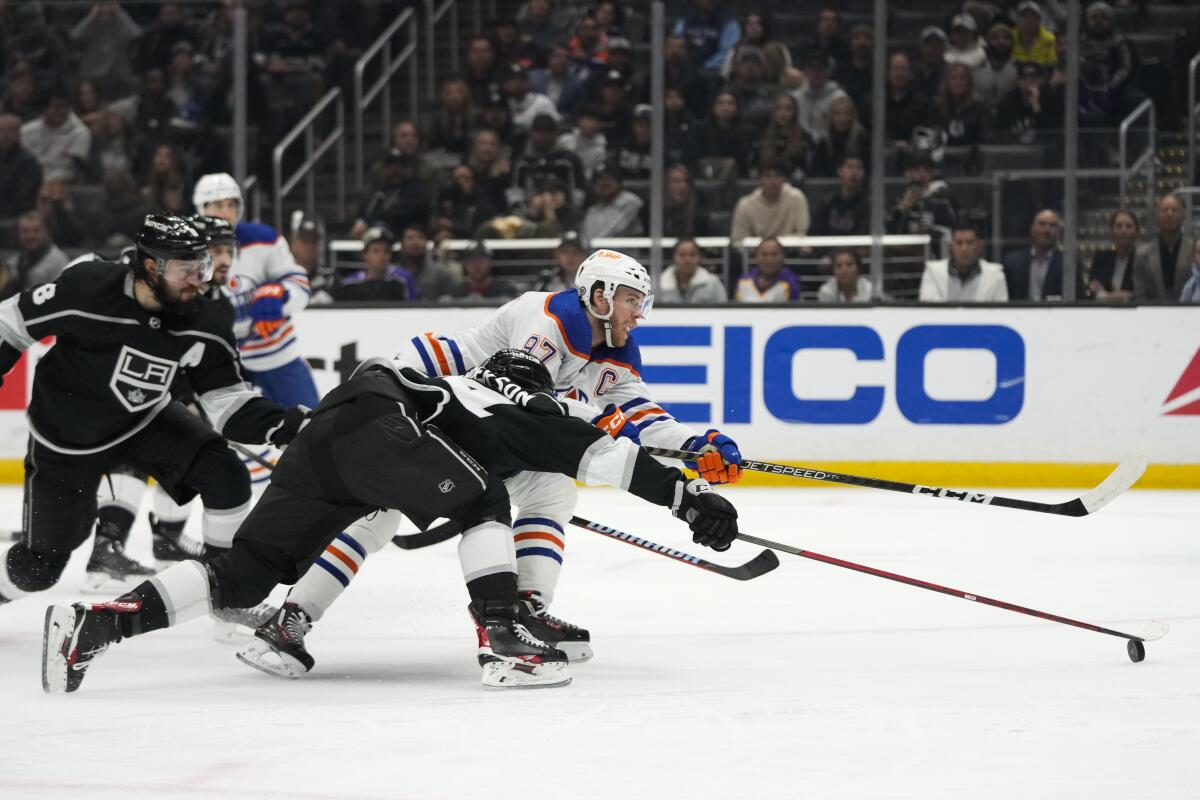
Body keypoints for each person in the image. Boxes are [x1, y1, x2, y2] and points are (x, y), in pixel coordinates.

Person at [43, 348, 740, 693]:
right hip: (385, 424)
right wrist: (690, 501)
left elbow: (412, 473)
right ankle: (505, 638)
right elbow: (608, 458)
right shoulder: (528, 409)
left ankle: (100, 624)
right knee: (483, 504)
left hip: (335, 425)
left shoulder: (457, 389)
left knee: (246, 573)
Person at [235, 250, 745, 674]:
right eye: (633, 301)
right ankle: (290, 621)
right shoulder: (545, 316)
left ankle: (525, 611)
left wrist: (698, 445)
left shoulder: (617, 349)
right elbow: (524, 401)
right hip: (414, 400)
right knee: (378, 511)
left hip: (466, 419)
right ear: (600, 296)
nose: (640, 313)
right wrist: (625, 448)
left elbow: (640, 415)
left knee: (550, 488)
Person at [0, 215, 306, 614]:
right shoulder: (88, 287)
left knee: (226, 475)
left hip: (143, 421)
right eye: (188, 269)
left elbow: (227, 400)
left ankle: (228, 597)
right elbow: (11, 324)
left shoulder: (206, 318)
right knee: (38, 569)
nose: (200, 279)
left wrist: (282, 426)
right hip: (65, 436)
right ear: (150, 267)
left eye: (204, 266)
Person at [82, 216, 241, 592]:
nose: (223, 259)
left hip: (160, 391)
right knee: (134, 448)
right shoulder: (162, 284)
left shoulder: (216, 304)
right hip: (114, 387)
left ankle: (166, 540)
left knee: (190, 451)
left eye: (228, 250)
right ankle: (107, 546)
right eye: (214, 251)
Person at [192, 173, 320, 410]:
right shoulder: (187, 250)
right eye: (218, 205)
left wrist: (279, 293)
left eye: (231, 204)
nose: (225, 212)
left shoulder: (264, 239)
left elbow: (300, 284)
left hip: (277, 356)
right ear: (201, 208)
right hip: (220, 363)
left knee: (314, 430)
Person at [350, 151, 433, 242]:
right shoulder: (379, 189)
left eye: (400, 165)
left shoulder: (416, 190)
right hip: (369, 236)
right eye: (390, 165)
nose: (395, 169)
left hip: (405, 236)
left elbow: (398, 214)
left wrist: (368, 223)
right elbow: (363, 213)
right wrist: (361, 222)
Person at [19, 87, 94, 184]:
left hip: (63, 185)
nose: (63, 111)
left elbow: (72, 171)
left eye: (66, 107)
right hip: (28, 182)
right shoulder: (26, 131)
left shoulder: (80, 133)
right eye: (57, 107)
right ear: (44, 109)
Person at [730, 158, 811, 243]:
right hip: (756, 254)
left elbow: (802, 233)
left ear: (784, 179)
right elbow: (738, 240)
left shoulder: (797, 198)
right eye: (767, 176)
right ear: (759, 179)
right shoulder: (745, 205)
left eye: (777, 175)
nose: (773, 181)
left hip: (791, 253)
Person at [921, 224, 1008, 302]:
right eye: (959, 243)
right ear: (951, 246)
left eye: (970, 243)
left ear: (979, 245)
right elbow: (929, 314)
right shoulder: (933, 272)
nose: (964, 249)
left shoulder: (996, 275)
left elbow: (1000, 316)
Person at [1134, 195, 1195, 302]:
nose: (1169, 214)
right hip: (1151, 314)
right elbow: (1140, 294)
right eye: (1165, 210)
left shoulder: (1195, 251)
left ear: (1183, 217)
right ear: (1157, 217)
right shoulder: (1142, 254)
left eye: (1174, 210)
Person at [335, 227, 417, 302]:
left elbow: (414, 310)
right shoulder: (350, 283)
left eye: (386, 251)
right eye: (376, 251)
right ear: (365, 254)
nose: (381, 256)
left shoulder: (404, 279)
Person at [2, 212, 70, 300]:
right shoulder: (12, 262)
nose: (30, 236)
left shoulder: (59, 261)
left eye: (36, 230)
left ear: (47, 232)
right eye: (25, 231)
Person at [888, 151, 957, 235]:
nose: (922, 173)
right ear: (907, 173)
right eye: (916, 169)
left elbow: (952, 232)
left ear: (932, 173)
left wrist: (930, 229)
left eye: (926, 169)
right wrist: (903, 209)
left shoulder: (942, 200)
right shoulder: (897, 201)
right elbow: (889, 233)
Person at [1003, 209, 1064, 301]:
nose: (1047, 230)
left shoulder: (1068, 265)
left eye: (1052, 225)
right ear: (1032, 228)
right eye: (1042, 224)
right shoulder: (1012, 262)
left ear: (1058, 232)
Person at [792, 50, 847, 144]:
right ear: (805, 71)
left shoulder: (838, 98)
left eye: (820, 69)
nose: (815, 73)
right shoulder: (795, 98)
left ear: (829, 71)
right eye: (811, 68)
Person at [581, 163, 644, 240]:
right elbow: (585, 237)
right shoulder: (593, 209)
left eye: (608, 178)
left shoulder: (630, 202)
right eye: (599, 179)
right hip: (599, 249)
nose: (604, 182)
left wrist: (591, 246)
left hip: (626, 250)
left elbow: (612, 230)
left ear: (618, 182)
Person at [673, 0, 741, 71]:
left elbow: (726, 55)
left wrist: (703, 68)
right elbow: (675, 46)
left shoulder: (730, 25)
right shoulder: (684, 23)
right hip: (683, 72)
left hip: (713, 74)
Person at [811, 155, 869, 237]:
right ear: (839, 171)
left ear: (864, 173)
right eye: (850, 166)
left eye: (859, 167)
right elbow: (815, 232)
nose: (854, 172)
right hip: (828, 248)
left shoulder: (868, 206)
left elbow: (863, 237)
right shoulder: (828, 202)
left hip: (854, 249)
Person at [1087, 210, 1137, 302]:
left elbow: (1139, 295)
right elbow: (1092, 291)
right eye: (1119, 226)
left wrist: (1105, 296)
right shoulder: (1101, 258)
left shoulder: (1142, 260)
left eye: (1128, 226)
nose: (1123, 230)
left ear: (1136, 232)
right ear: (1111, 231)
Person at [0, 113, 43, 220]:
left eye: (10, 130)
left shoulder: (28, 162)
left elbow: (23, 201)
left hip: (13, 219)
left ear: (19, 133)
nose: (5, 135)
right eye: (1, 130)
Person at [658, 238, 727, 303]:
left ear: (700, 258)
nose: (687, 260)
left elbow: (725, 313)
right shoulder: (657, 285)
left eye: (692, 255)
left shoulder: (713, 284)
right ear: (673, 258)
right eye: (682, 255)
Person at [289, 211, 334, 306]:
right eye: (304, 240)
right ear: (293, 243)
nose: (309, 246)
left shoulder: (330, 279)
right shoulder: (281, 277)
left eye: (314, 240)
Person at [735, 237, 800, 302]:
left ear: (783, 257)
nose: (769, 259)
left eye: (774, 255)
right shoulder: (744, 280)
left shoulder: (791, 282)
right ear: (756, 257)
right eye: (764, 255)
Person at [453, 243, 518, 302]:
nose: (476, 265)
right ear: (465, 265)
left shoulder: (506, 291)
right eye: (471, 261)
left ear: (490, 262)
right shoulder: (457, 292)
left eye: (481, 260)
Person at [974, 22, 1019, 108]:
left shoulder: (1019, 68)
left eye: (1006, 38)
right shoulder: (977, 66)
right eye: (995, 38)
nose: (1001, 42)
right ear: (987, 42)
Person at [1012, 1, 1056, 68]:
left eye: (1033, 16)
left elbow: (1052, 64)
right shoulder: (1009, 38)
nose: (1028, 20)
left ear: (1039, 20)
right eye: (1024, 16)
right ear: (1017, 19)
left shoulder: (1049, 39)